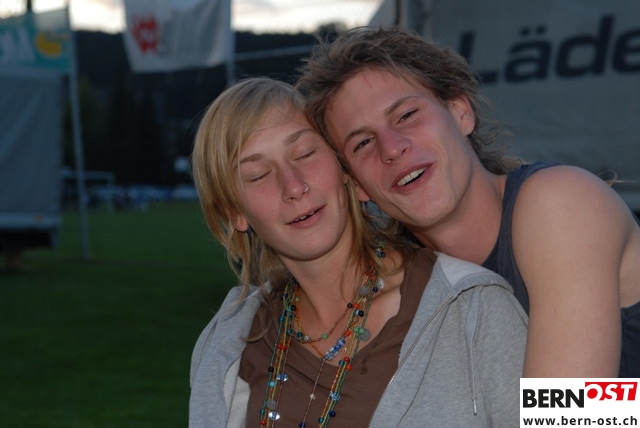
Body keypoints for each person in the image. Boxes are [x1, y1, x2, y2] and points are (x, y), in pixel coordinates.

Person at [297, 25, 640, 378]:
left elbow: (579, 406)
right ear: (357, 186)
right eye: (363, 143)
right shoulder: (404, 285)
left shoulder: (561, 203)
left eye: (407, 115)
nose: (392, 148)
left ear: (461, 112)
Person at [188, 77, 528, 427]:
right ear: (235, 212)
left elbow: (562, 416)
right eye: (258, 175)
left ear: (345, 169)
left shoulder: (472, 305)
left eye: (305, 154)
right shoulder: (227, 343)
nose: (294, 186)